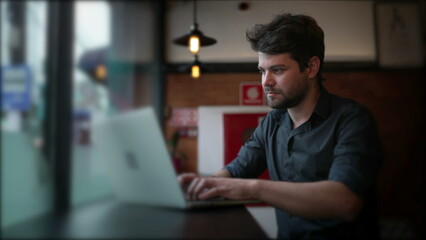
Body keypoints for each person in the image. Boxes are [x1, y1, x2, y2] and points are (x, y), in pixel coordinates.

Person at [178, 13, 382, 240]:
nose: (266, 82)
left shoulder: (352, 120)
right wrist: (202, 186)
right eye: (262, 71)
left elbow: (345, 202)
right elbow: (236, 171)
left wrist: (255, 188)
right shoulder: (271, 122)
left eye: (278, 70)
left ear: (311, 67)